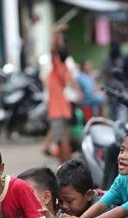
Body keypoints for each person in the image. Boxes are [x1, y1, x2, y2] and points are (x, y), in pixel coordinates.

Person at [42, 24, 77, 163]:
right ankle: (65, 166)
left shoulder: (57, 67)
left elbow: (53, 50)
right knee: (64, 141)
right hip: (63, 109)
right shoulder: (65, 69)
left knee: (61, 142)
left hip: (57, 110)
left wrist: (55, 33)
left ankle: (64, 166)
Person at [100, 40, 124, 120]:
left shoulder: (122, 58)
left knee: (120, 106)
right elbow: (103, 71)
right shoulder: (107, 58)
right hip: (111, 85)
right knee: (112, 106)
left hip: (120, 85)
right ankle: (114, 122)